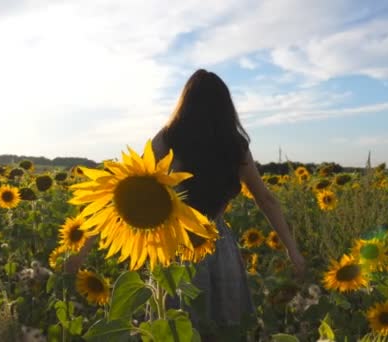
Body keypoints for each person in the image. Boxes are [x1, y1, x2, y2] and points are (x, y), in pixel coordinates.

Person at [67, 69, 305, 340]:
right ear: (227, 107)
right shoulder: (235, 147)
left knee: (175, 325)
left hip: (174, 245)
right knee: (225, 327)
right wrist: (293, 251)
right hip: (218, 244)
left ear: (185, 102)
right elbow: (266, 199)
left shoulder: (171, 138)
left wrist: (81, 251)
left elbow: (120, 189)